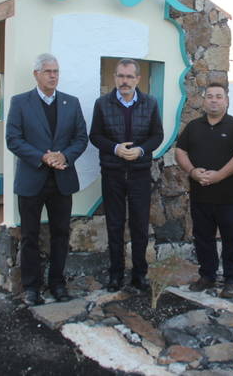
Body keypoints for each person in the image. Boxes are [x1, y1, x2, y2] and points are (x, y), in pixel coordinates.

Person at [6, 53, 88, 306]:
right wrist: (43, 157)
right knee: (30, 236)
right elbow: (13, 139)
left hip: (62, 180)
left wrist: (64, 155)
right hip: (32, 179)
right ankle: (31, 287)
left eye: (56, 71)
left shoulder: (71, 103)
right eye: (48, 71)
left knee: (60, 234)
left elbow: (81, 138)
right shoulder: (20, 102)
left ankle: (57, 284)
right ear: (36, 74)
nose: (53, 76)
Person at [89, 58, 163, 292]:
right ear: (115, 77)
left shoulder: (150, 103)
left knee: (140, 225)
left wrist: (141, 150)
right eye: (121, 76)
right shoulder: (102, 104)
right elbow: (95, 136)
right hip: (112, 173)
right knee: (114, 225)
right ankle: (115, 274)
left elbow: (157, 136)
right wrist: (115, 148)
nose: (125, 81)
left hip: (140, 174)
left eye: (130, 76)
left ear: (138, 79)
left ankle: (139, 274)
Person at [175, 82, 233, 298]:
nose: (214, 100)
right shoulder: (193, 126)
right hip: (201, 196)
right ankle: (207, 276)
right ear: (203, 100)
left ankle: (231, 280)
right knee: (203, 238)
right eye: (210, 96)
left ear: (226, 101)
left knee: (231, 240)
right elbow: (180, 150)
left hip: (229, 198)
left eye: (219, 96)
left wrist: (219, 176)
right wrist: (192, 171)